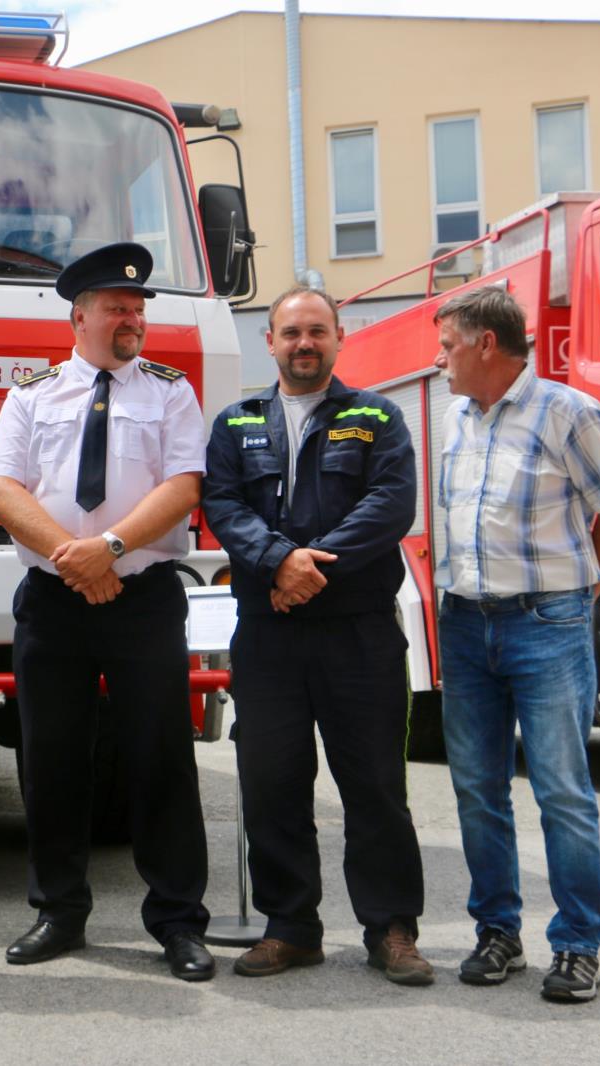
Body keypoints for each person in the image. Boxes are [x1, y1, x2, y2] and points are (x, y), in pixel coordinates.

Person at [0, 242, 215, 982]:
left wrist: (104, 548)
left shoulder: (168, 391)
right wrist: (72, 560)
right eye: (116, 308)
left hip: (140, 598)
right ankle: (58, 911)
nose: (131, 319)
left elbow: (184, 484)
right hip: (54, 603)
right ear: (79, 317)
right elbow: (1, 488)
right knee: (50, 760)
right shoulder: (32, 394)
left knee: (160, 759)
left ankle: (176, 920)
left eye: (137, 309)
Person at [202, 285, 431, 985]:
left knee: (373, 786)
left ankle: (390, 929)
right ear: (266, 342)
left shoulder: (376, 415)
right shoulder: (235, 423)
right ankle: (290, 927)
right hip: (268, 635)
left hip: (356, 634)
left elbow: (389, 506)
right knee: (271, 782)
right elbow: (220, 502)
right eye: (290, 332)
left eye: (317, 332)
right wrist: (279, 561)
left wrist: (310, 565)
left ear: (338, 338)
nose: (304, 344)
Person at [433, 286, 600, 1003]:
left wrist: (586, 590)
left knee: (560, 791)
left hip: (545, 624)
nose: (440, 360)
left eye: (448, 345)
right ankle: (498, 934)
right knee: (477, 789)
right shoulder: (455, 417)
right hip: (463, 625)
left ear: (486, 344)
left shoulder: (566, 412)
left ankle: (577, 945)